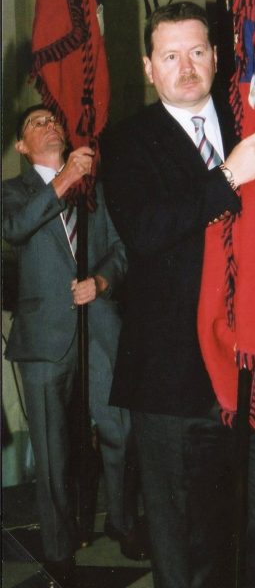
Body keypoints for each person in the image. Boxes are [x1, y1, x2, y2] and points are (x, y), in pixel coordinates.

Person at [101, 1, 255, 588]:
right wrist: (227, 179)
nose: (186, 67)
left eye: (197, 52)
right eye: (170, 56)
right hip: (175, 377)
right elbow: (145, 231)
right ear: (148, 68)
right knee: (189, 544)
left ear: (217, 57)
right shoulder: (127, 142)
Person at [3, 105, 143, 588]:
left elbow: (121, 249)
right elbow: (16, 228)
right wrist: (63, 179)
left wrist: (102, 281)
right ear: (21, 147)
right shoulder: (12, 193)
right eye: (35, 123)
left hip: (99, 325)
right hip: (44, 337)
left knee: (119, 429)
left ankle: (123, 521)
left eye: (53, 119)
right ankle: (60, 547)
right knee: (53, 447)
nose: (49, 126)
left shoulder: (94, 190)